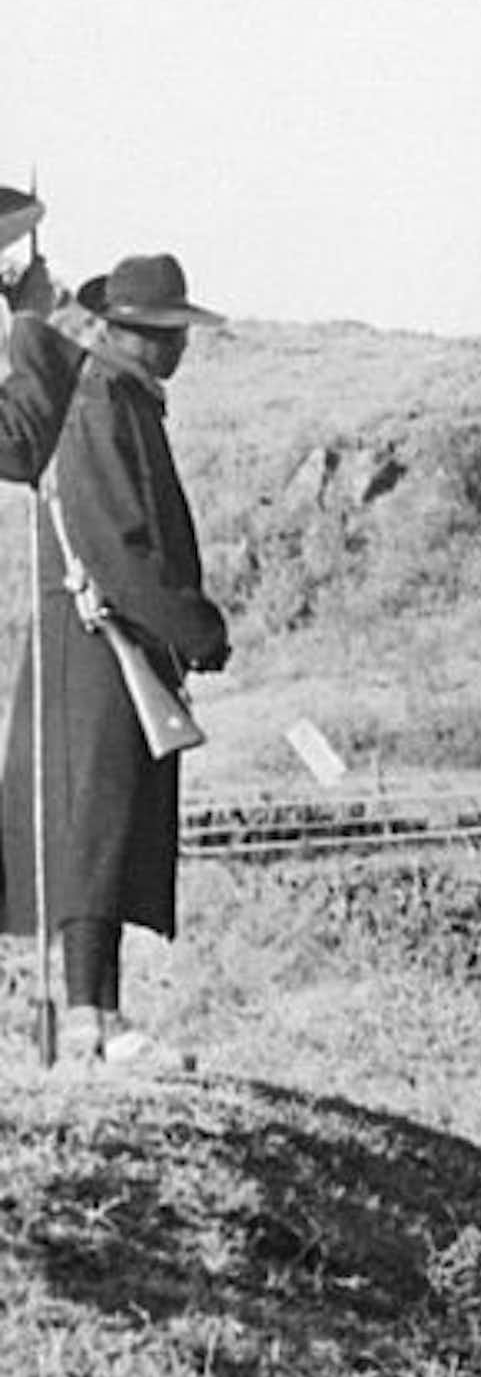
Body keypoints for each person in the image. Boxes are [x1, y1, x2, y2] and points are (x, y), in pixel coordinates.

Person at [0, 252, 231, 1063]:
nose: (180, 346)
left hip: (108, 638)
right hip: (97, 638)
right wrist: (194, 627)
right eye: (169, 332)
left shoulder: (117, 396)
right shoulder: (99, 399)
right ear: (134, 333)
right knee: (91, 829)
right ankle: (88, 1019)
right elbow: (118, 543)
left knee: (106, 825)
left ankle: (99, 1015)